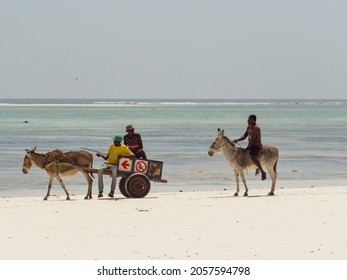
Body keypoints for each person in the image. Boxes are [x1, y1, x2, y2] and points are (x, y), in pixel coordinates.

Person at [233, 114, 267, 180]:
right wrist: (237, 140)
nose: (247, 120)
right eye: (248, 119)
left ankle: (262, 172)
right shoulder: (249, 127)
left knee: (253, 157)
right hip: (251, 144)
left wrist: (247, 148)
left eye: (249, 119)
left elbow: (252, 140)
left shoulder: (256, 128)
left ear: (254, 120)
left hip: (256, 145)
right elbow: (244, 136)